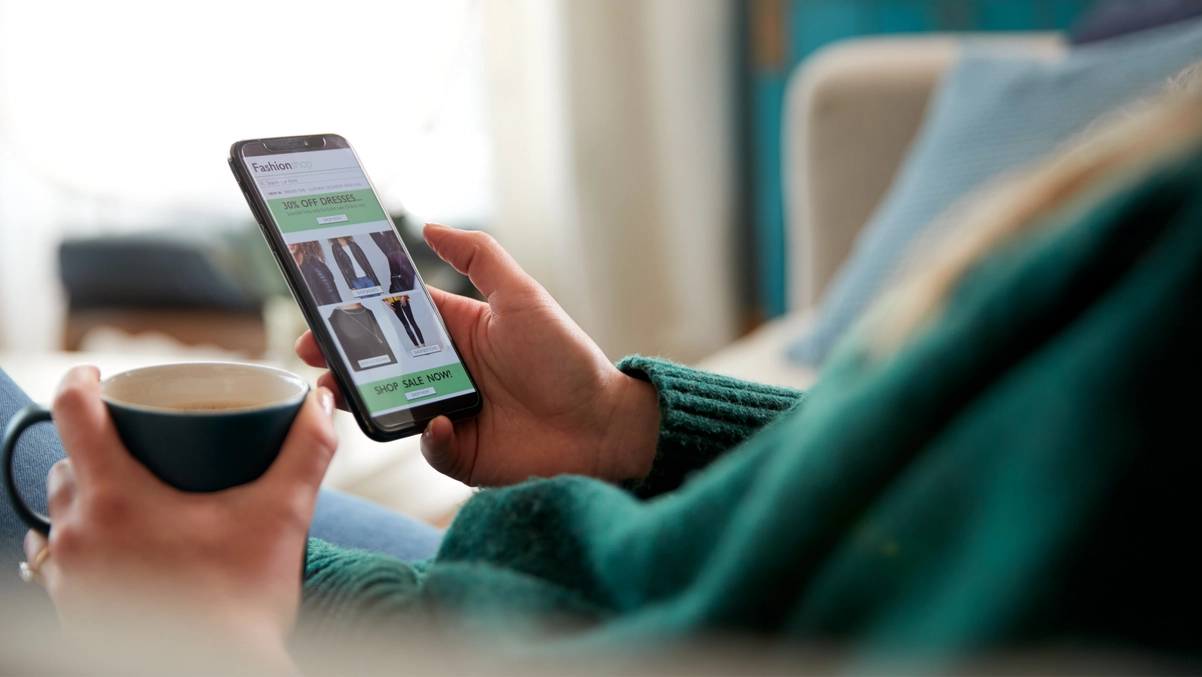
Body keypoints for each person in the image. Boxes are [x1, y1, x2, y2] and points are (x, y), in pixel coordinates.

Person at [3, 80, 1201, 670]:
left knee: (32, 460)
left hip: (534, 626)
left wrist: (207, 634)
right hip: (599, 585)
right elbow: (949, 491)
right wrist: (628, 428)